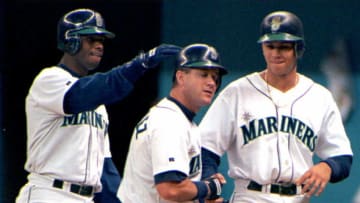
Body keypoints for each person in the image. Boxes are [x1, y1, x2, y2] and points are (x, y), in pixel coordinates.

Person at [15, 8, 181, 203]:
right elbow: (83, 94)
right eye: (91, 39)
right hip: (49, 192)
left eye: (101, 40)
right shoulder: (49, 80)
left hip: (86, 197)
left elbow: (104, 170)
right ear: (71, 40)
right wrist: (139, 65)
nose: (99, 45)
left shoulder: (98, 106)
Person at [199, 10, 353, 203]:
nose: (276, 53)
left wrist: (328, 167)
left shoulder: (319, 97)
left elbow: (342, 156)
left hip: (298, 197)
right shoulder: (236, 92)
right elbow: (204, 148)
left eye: (284, 47)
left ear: (299, 49)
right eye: (270, 46)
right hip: (250, 195)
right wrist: (208, 184)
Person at [117, 43, 228, 203]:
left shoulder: (178, 118)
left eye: (215, 77)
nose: (212, 82)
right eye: (204, 74)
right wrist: (209, 187)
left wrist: (202, 197)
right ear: (181, 77)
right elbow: (171, 189)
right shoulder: (169, 121)